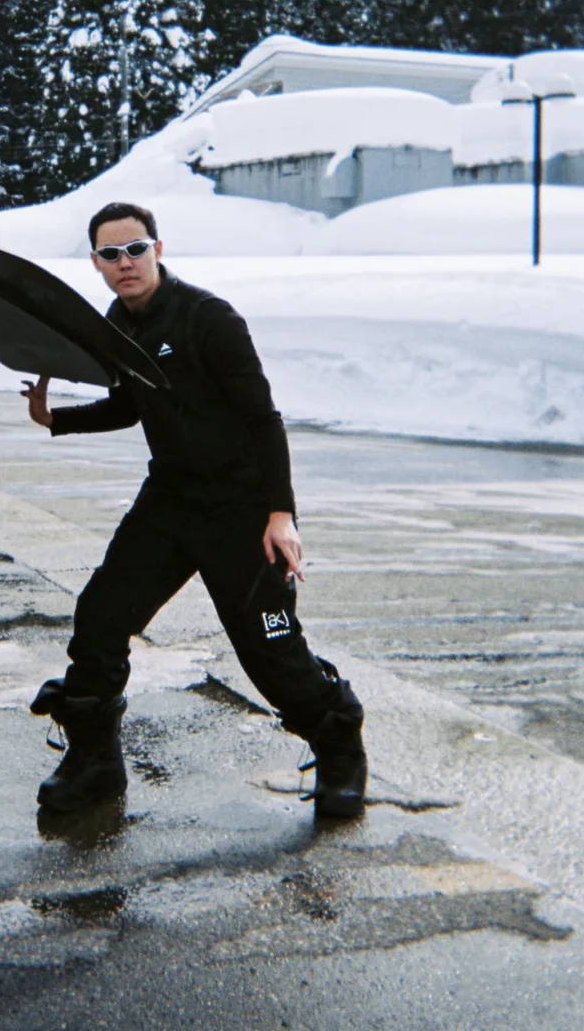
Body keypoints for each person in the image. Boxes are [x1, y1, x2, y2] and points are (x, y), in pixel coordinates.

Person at [21, 201, 367, 818]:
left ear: (158, 249)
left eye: (136, 249)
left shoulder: (210, 318)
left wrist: (280, 514)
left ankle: (339, 745)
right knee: (100, 617)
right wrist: (57, 419)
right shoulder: (117, 323)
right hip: (170, 500)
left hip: (240, 507)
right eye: (111, 254)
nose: (125, 263)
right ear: (96, 262)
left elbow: (263, 418)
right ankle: (95, 763)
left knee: (268, 648)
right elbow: (130, 406)